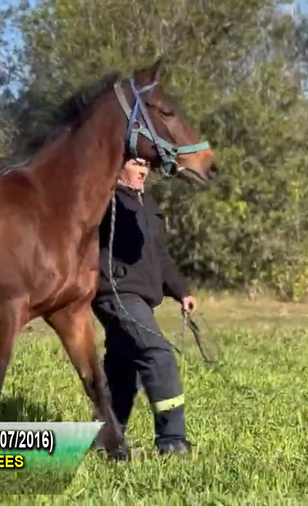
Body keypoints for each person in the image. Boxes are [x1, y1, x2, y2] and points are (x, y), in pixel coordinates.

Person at [91, 156, 197, 457]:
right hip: (115, 293)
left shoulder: (147, 204)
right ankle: (172, 441)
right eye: (137, 162)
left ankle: (105, 441)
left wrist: (181, 290)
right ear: (119, 163)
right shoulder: (102, 199)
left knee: (125, 369)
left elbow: (160, 255)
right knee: (157, 355)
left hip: (142, 298)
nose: (144, 169)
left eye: (147, 165)